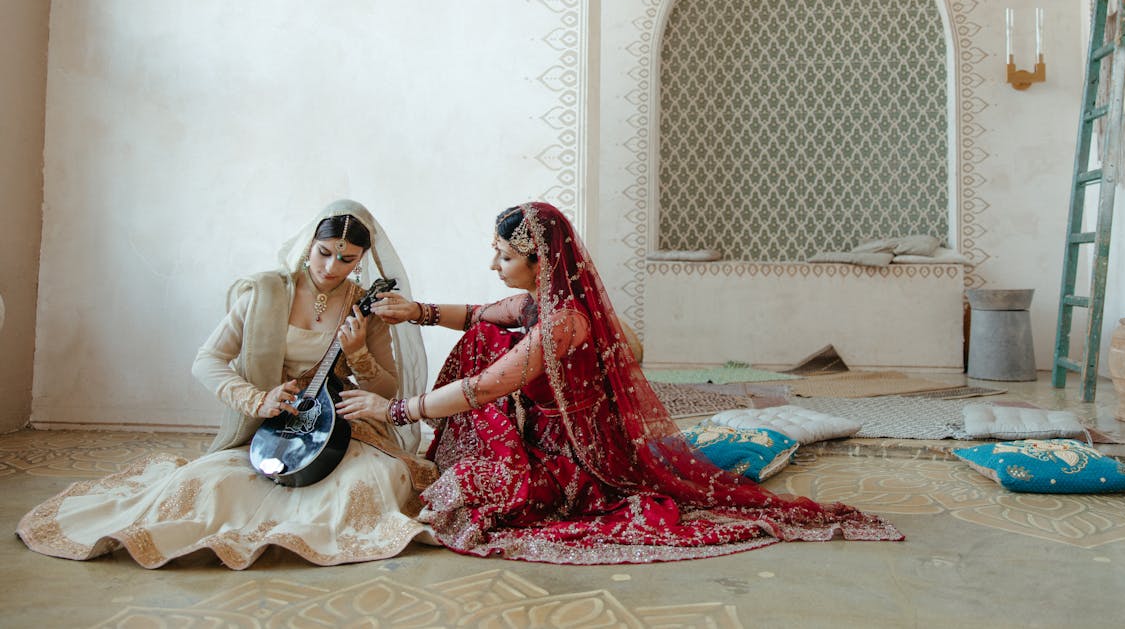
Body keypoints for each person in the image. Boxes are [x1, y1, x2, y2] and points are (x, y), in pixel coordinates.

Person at [341, 201, 903, 564]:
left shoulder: (562, 322)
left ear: (539, 261)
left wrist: (394, 409)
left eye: (503, 254)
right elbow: (482, 313)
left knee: (468, 496)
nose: (494, 262)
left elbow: (483, 389)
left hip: (577, 455)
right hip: (541, 428)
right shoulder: (539, 301)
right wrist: (415, 310)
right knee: (482, 335)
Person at [17, 200, 437, 569]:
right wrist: (258, 399)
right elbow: (207, 361)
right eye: (323, 253)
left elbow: (386, 388)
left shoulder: (366, 305)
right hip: (270, 424)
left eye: (346, 260)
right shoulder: (266, 292)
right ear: (309, 244)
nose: (330, 268)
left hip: (339, 425)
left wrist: (360, 352)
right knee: (208, 487)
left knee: (367, 484)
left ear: (361, 259)